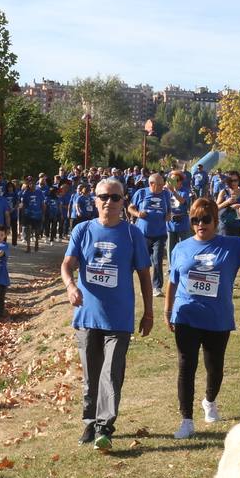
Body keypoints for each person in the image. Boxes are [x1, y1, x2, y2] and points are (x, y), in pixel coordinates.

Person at [61, 177, 154, 452]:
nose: (109, 202)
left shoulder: (132, 234)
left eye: (115, 197)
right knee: (91, 375)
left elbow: (145, 276)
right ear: (95, 200)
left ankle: (104, 426)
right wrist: (70, 286)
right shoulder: (82, 230)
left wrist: (148, 313)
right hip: (87, 317)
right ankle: (89, 421)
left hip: (119, 318)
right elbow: (67, 265)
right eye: (104, 196)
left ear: (124, 201)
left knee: (111, 374)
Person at [165, 197, 240, 439]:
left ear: (215, 219)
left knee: (215, 367)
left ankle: (209, 401)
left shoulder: (230, 245)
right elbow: (173, 282)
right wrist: (167, 310)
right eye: (195, 220)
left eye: (205, 219)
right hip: (186, 315)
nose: (200, 224)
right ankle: (186, 420)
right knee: (185, 366)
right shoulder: (181, 248)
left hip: (217, 318)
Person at [129, 172, 174, 289]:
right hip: (143, 233)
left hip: (160, 233)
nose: (161, 186)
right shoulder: (141, 193)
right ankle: (128, 282)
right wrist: (138, 213)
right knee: (140, 261)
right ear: (151, 184)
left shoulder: (165, 194)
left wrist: (169, 215)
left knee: (157, 260)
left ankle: (157, 287)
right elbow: (130, 208)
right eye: (159, 184)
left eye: (162, 184)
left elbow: (169, 210)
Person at [215, 171, 240, 238]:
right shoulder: (223, 192)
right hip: (225, 226)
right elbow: (215, 208)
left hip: (239, 226)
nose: (233, 183)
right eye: (231, 180)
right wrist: (227, 202)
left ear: (239, 181)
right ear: (227, 181)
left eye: (235, 180)